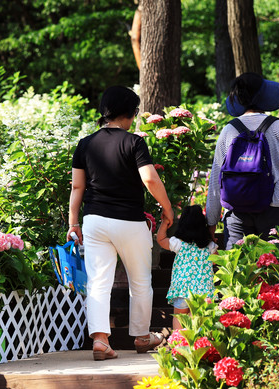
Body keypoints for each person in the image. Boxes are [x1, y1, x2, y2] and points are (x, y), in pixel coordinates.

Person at [67, 85, 174, 360]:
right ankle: (141, 337)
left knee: (98, 282)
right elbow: (150, 178)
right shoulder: (134, 142)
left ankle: (101, 341)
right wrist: (167, 207)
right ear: (128, 113)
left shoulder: (85, 144)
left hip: (94, 222)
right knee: (140, 280)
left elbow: (77, 188)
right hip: (129, 221)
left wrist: (73, 223)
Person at [206, 72, 279, 249]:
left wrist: (211, 221)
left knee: (236, 268)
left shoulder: (228, 130)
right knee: (274, 267)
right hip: (276, 208)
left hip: (236, 211)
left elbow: (216, 179)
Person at [156, 205, 218, 330]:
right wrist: (211, 236)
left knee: (179, 317)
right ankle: (198, 345)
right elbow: (215, 262)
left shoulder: (178, 243)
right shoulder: (210, 246)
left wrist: (164, 223)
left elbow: (161, 239)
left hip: (182, 289)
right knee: (200, 319)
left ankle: (178, 344)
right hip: (203, 291)